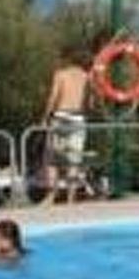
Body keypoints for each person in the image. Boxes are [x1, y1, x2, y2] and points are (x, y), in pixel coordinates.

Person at [40, 50, 94, 202]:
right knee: (74, 160)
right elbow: (91, 103)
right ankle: (71, 197)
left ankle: (51, 195)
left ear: (68, 60)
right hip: (78, 118)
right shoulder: (86, 77)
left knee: (52, 158)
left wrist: (45, 118)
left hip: (61, 116)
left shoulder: (60, 74)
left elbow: (53, 97)